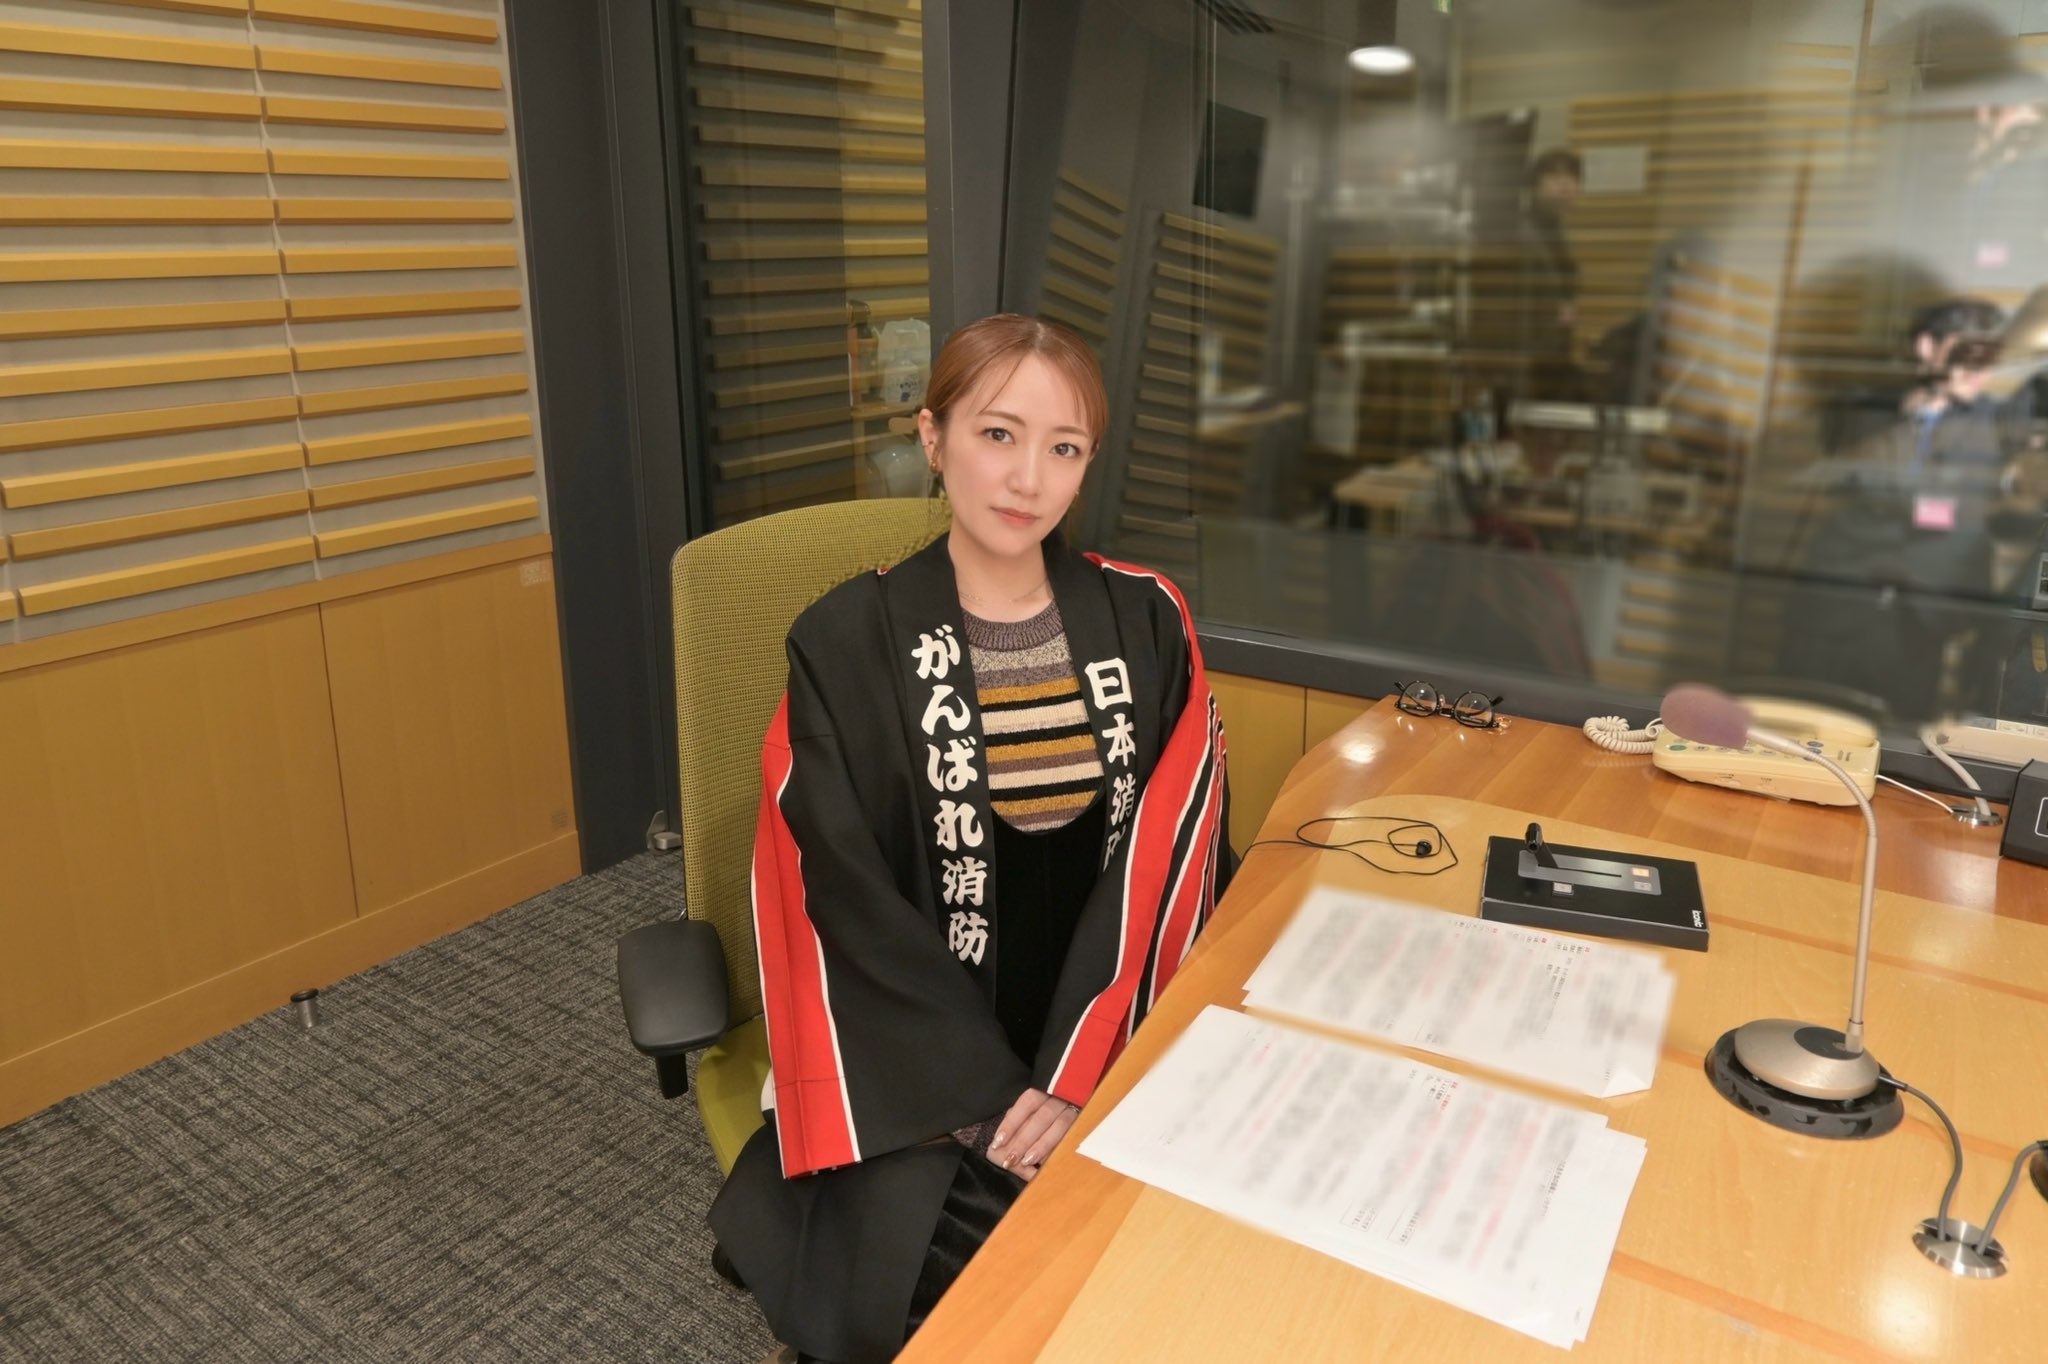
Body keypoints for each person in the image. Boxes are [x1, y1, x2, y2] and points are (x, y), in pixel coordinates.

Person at [708, 314, 1234, 1364]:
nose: (1028, 478)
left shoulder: (1147, 619)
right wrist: (989, 1103)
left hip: (1103, 1028)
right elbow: (837, 895)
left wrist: (1082, 1067)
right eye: (998, 434)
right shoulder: (842, 642)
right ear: (932, 436)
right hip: (919, 1061)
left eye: (1063, 447)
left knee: (1173, 1264)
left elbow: (1176, 855)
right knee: (968, 1295)